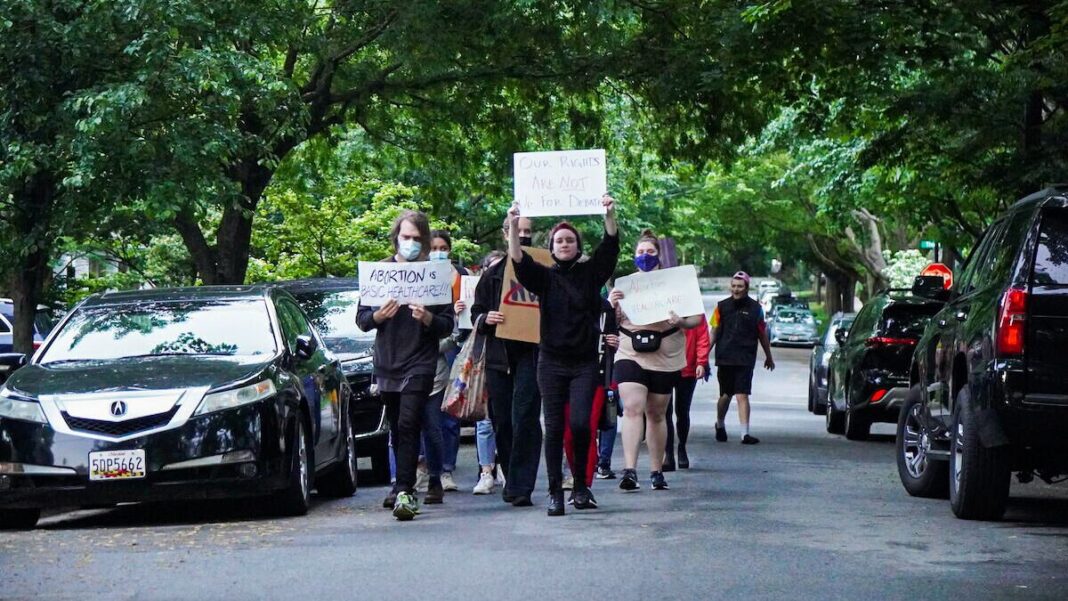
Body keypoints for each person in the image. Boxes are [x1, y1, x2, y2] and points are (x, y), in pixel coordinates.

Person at [507, 195, 619, 516]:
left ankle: (581, 486)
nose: (565, 244)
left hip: (584, 363)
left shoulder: (591, 274)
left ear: (578, 245)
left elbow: (610, 245)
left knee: (582, 424)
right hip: (551, 363)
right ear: (552, 247)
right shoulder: (544, 277)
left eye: (570, 239)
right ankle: (555, 491)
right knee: (554, 428)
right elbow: (517, 259)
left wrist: (609, 214)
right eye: (559, 240)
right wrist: (514, 225)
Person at [357, 210, 455, 520]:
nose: (410, 243)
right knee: (398, 425)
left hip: (421, 361)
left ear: (424, 240)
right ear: (396, 238)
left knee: (410, 421)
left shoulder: (433, 275)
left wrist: (428, 318)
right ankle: (401, 481)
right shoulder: (379, 272)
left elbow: (448, 324)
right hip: (388, 361)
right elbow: (361, 321)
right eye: (405, 237)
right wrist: (379, 317)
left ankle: (405, 490)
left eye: (416, 238)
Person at [608, 230, 703, 491]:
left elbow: (695, 319)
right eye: (640, 252)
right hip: (630, 351)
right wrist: (611, 304)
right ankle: (629, 469)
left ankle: (656, 470)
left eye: (650, 252)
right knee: (632, 407)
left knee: (657, 413)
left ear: (660, 255)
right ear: (634, 256)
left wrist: (680, 321)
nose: (645, 256)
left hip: (665, 352)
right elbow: (609, 321)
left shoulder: (677, 284)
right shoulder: (624, 285)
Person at [471, 222, 542, 507]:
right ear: (505, 233)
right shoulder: (492, 274)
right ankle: (512, 478)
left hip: (532, 355)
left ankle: (522, 486)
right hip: (499, 357)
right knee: (502, 420)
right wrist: (486, 318)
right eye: (517, 230)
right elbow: (476, 312)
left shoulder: (542, 269)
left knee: (525, 416)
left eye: (527, 231)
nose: (522, 235)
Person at [413, 230, 467, 503]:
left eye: (443, 247)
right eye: (434, 247)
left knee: (446, 418)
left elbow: (455, 326)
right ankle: (422, 468)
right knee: (418, 419)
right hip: (418, 357)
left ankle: (445, 469)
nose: (438, 252)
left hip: (448, 352)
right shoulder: (416, 277)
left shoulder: (459, 276)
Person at [709, 271, 775, 445]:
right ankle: (720, 424)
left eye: (740, 286)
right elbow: (714, 332)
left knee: (742, 394)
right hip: (725, 357)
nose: (736, 289)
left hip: (745, 358)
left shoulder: (756, 309)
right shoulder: (721, 307)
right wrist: (703, 355)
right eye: (733, 286)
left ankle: (744, 433)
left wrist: (769, 356)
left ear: (746, 288)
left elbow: (762, 334)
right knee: (725, 395)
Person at [663, 315, 710, 471]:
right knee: (664, 412)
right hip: (666, 366)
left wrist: (701, 362)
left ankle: (681, 447)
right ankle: (668, 454)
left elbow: (703, 337)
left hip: (688, 368)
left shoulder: (695, 311)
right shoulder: (664, 308)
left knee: (682, 411)